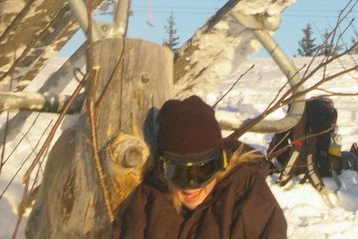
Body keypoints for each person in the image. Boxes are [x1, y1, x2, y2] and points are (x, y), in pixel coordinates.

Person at [112, 94, 287, 238]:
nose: (190, 185)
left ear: (221, 163)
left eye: (202, 170)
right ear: (163, 169)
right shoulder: (149, 201)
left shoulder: (246, 196)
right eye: (177, 172)